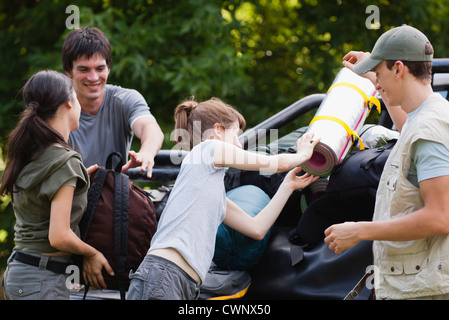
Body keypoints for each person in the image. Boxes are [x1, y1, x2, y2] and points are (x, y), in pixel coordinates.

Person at [127, 98, 320, 300]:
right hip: (164, 275)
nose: (238, 143)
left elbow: (257, 229)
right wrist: (303, 154)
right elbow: (276, 163)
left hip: (183, 283)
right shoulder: (207, 149)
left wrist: (288, 186)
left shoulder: (212, 190)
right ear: (218, 130)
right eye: (236, 134)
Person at [324, 25, 449, 300]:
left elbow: (440, 217)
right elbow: (408, 131)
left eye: (380, 75)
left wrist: (359, 230)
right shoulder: (425, 118)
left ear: (399, 69)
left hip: (423, 291)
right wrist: (372, 72)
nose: (377, 84)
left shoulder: (430, 129)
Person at [0, 70, 114, 300]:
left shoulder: (29, 153)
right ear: (68, 103)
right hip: (42, 279)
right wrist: (93, 254)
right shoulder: (64, 160)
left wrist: (78, 181)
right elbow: (59, 236)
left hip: (20, 273)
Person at [62, 27, 164, 178]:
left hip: (114, 198)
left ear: (109, 68)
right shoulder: (58, 106)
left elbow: (149, 127)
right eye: (84, 69)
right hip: (70, 196)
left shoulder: (125, 99)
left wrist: (146, 153)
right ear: (69, 71)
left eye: (100, 68)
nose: (93, 77)